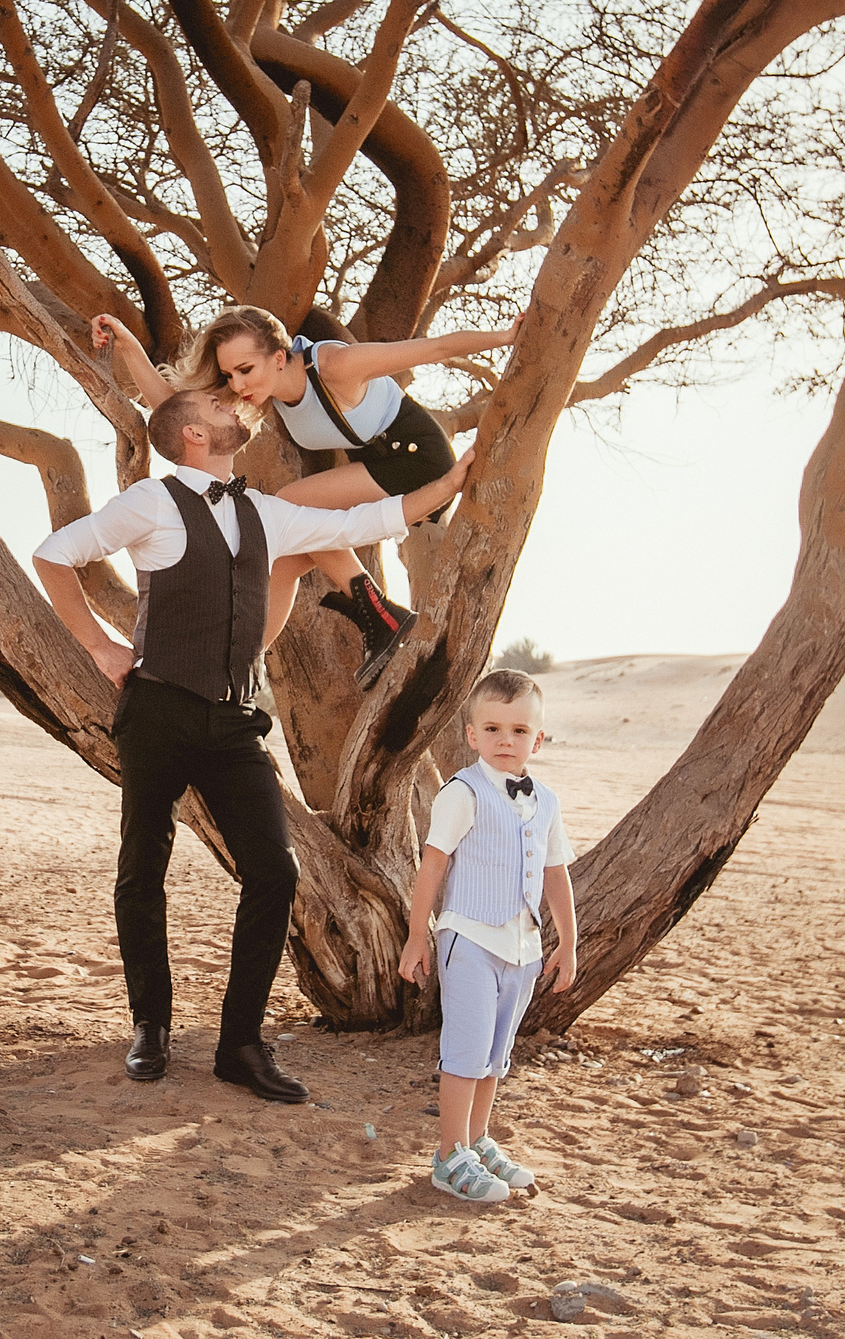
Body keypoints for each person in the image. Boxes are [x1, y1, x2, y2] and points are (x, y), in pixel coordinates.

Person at [33, 387, 476, 1102]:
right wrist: (98, 644)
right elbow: (55, 554)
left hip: (233, 721)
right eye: (215, 402)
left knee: (274, 871)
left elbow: (365, 518)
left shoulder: (261, 510)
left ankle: (240, 1042)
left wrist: (448, 484)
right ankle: (151, 1024)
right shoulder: (151, 500)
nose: (233, 403)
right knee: (142, 867)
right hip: (157, 710)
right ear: (192, 436)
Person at [90, 306, 520, 686]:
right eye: (229, 375)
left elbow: (435, 348)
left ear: (279, 357)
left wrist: (504, 338)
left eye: (245, 369)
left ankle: (380, 613)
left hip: (416, 458)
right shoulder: (265, 389)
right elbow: (174, 408)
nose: (237, 385)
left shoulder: (335, 365)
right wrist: (127, 344)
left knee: (290, 502)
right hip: (377, 465)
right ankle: (239, 664)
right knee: (281, 560)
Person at [398, 667, 578, 1201]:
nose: (507, 740)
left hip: (521, 946)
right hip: (469, 937)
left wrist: (567, 941)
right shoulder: (463, 792)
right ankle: (448, 1154)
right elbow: (432, 866)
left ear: (538, 740)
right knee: (466, 1050)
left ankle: (476, 1139)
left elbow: (554, 872)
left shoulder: (546, 801)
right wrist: (416, 936)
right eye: (494, 729)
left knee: (496, 1053)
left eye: (520, 730)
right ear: (472, 735)